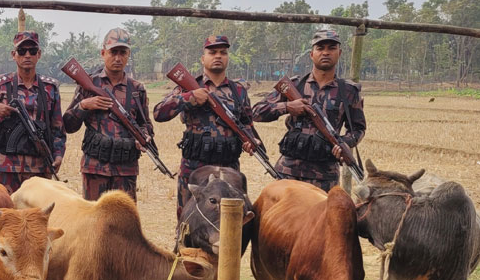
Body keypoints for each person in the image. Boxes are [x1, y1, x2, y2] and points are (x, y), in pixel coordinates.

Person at [153, 35, 259, 216]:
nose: (218, 56)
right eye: (212, 52)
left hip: (228, 170)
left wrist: (251, 141)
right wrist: (189, 98)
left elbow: (246, 124)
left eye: (223, 52)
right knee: (188, 223)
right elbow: (159, 113)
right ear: (203, 58)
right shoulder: (187, 87)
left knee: (228, 223)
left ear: (227, 58)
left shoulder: (238, 90)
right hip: (194, 170)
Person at [252, 28, 366, 191]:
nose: (325, 53)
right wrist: (287, 107)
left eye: (331, 48)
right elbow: (257, 112)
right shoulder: (294, 85)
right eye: (320, 48)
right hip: (288, 173)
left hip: (325, 177)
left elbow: (358, 129)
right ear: (311, 54)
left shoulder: (348, 91)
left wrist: (344, 143)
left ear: (339, 53)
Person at [63, 27, 153, 201]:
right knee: (93, 221)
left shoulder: (136, 89)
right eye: (113, 52)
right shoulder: (88, 84)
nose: (118, 58)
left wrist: (145, 136)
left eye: (123, 53)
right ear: (103, 53)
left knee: (124, 221)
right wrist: (84, 105)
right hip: (95, 167)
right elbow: (68, 125)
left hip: (126, 168)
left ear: (128, 55)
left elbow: (146, 124)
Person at [0, 31, 65, 193]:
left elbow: (57, 129)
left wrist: (58, 155)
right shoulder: (0, 86)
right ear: (14, 55)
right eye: (22, 51)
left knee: (37, 216)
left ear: (39, 54)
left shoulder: (50, 88)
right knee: (7, 215)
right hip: (7, 168)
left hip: (40, 168)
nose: (27, 55)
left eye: (32, 51)